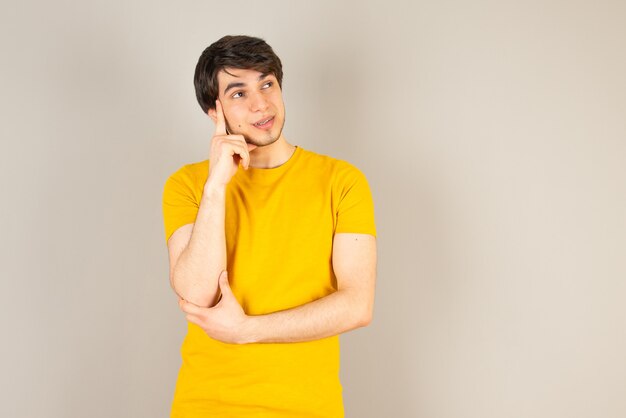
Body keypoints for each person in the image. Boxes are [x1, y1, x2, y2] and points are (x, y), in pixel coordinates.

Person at [162, 35, 377, 418]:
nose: (261, 103)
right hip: (206, 405)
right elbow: (196, 292)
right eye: (238, 93)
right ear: (215, 112)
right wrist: (216, 188)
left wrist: (247, 330)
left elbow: (357, 305)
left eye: (266, 84)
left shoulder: (342, 181)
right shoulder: (189, 185)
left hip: (307, 408)